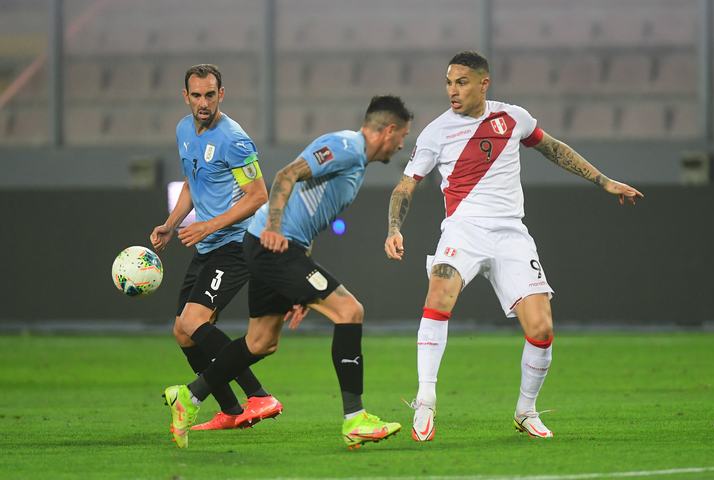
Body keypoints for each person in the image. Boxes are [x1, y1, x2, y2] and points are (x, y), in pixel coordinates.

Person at [384, 51, 644, 441]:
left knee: (541, 329)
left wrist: (604, 181)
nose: (453, 91)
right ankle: (426, 399)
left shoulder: (513, 118)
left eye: (462, 82)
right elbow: (405, 186)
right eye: (449, 83)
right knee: (439, 293)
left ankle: (526, 410)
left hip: (511, 235)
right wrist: (394, 228)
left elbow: (554, 148)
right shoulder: (436, 132)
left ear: (483, 83)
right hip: (463, 231)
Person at [162, 95, 413, 449]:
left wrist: (296, 289)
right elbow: (286, 174)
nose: (402, 144)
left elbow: (306, 220)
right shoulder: (345, 147)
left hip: (276, 248)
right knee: (350, 310)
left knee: (261, 342)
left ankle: (189, 397)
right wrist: (275, 228)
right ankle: (355, 418)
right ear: (388, 130)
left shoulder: (356, 165)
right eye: (402, 135)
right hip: (273, 245)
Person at [151, 64, 282, 438]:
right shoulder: (184, 130)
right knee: (183, 332)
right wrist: (171, 223)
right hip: (207, 245)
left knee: (194, 321)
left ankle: (259, 396)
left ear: (221, 94)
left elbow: (258, 196)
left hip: (236, 244)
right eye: (196, 95)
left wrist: (208, 225)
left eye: (210, 95)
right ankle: (230, 409)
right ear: (186, 97)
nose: (203, 103)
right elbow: (193, 183)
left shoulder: (233, 140)